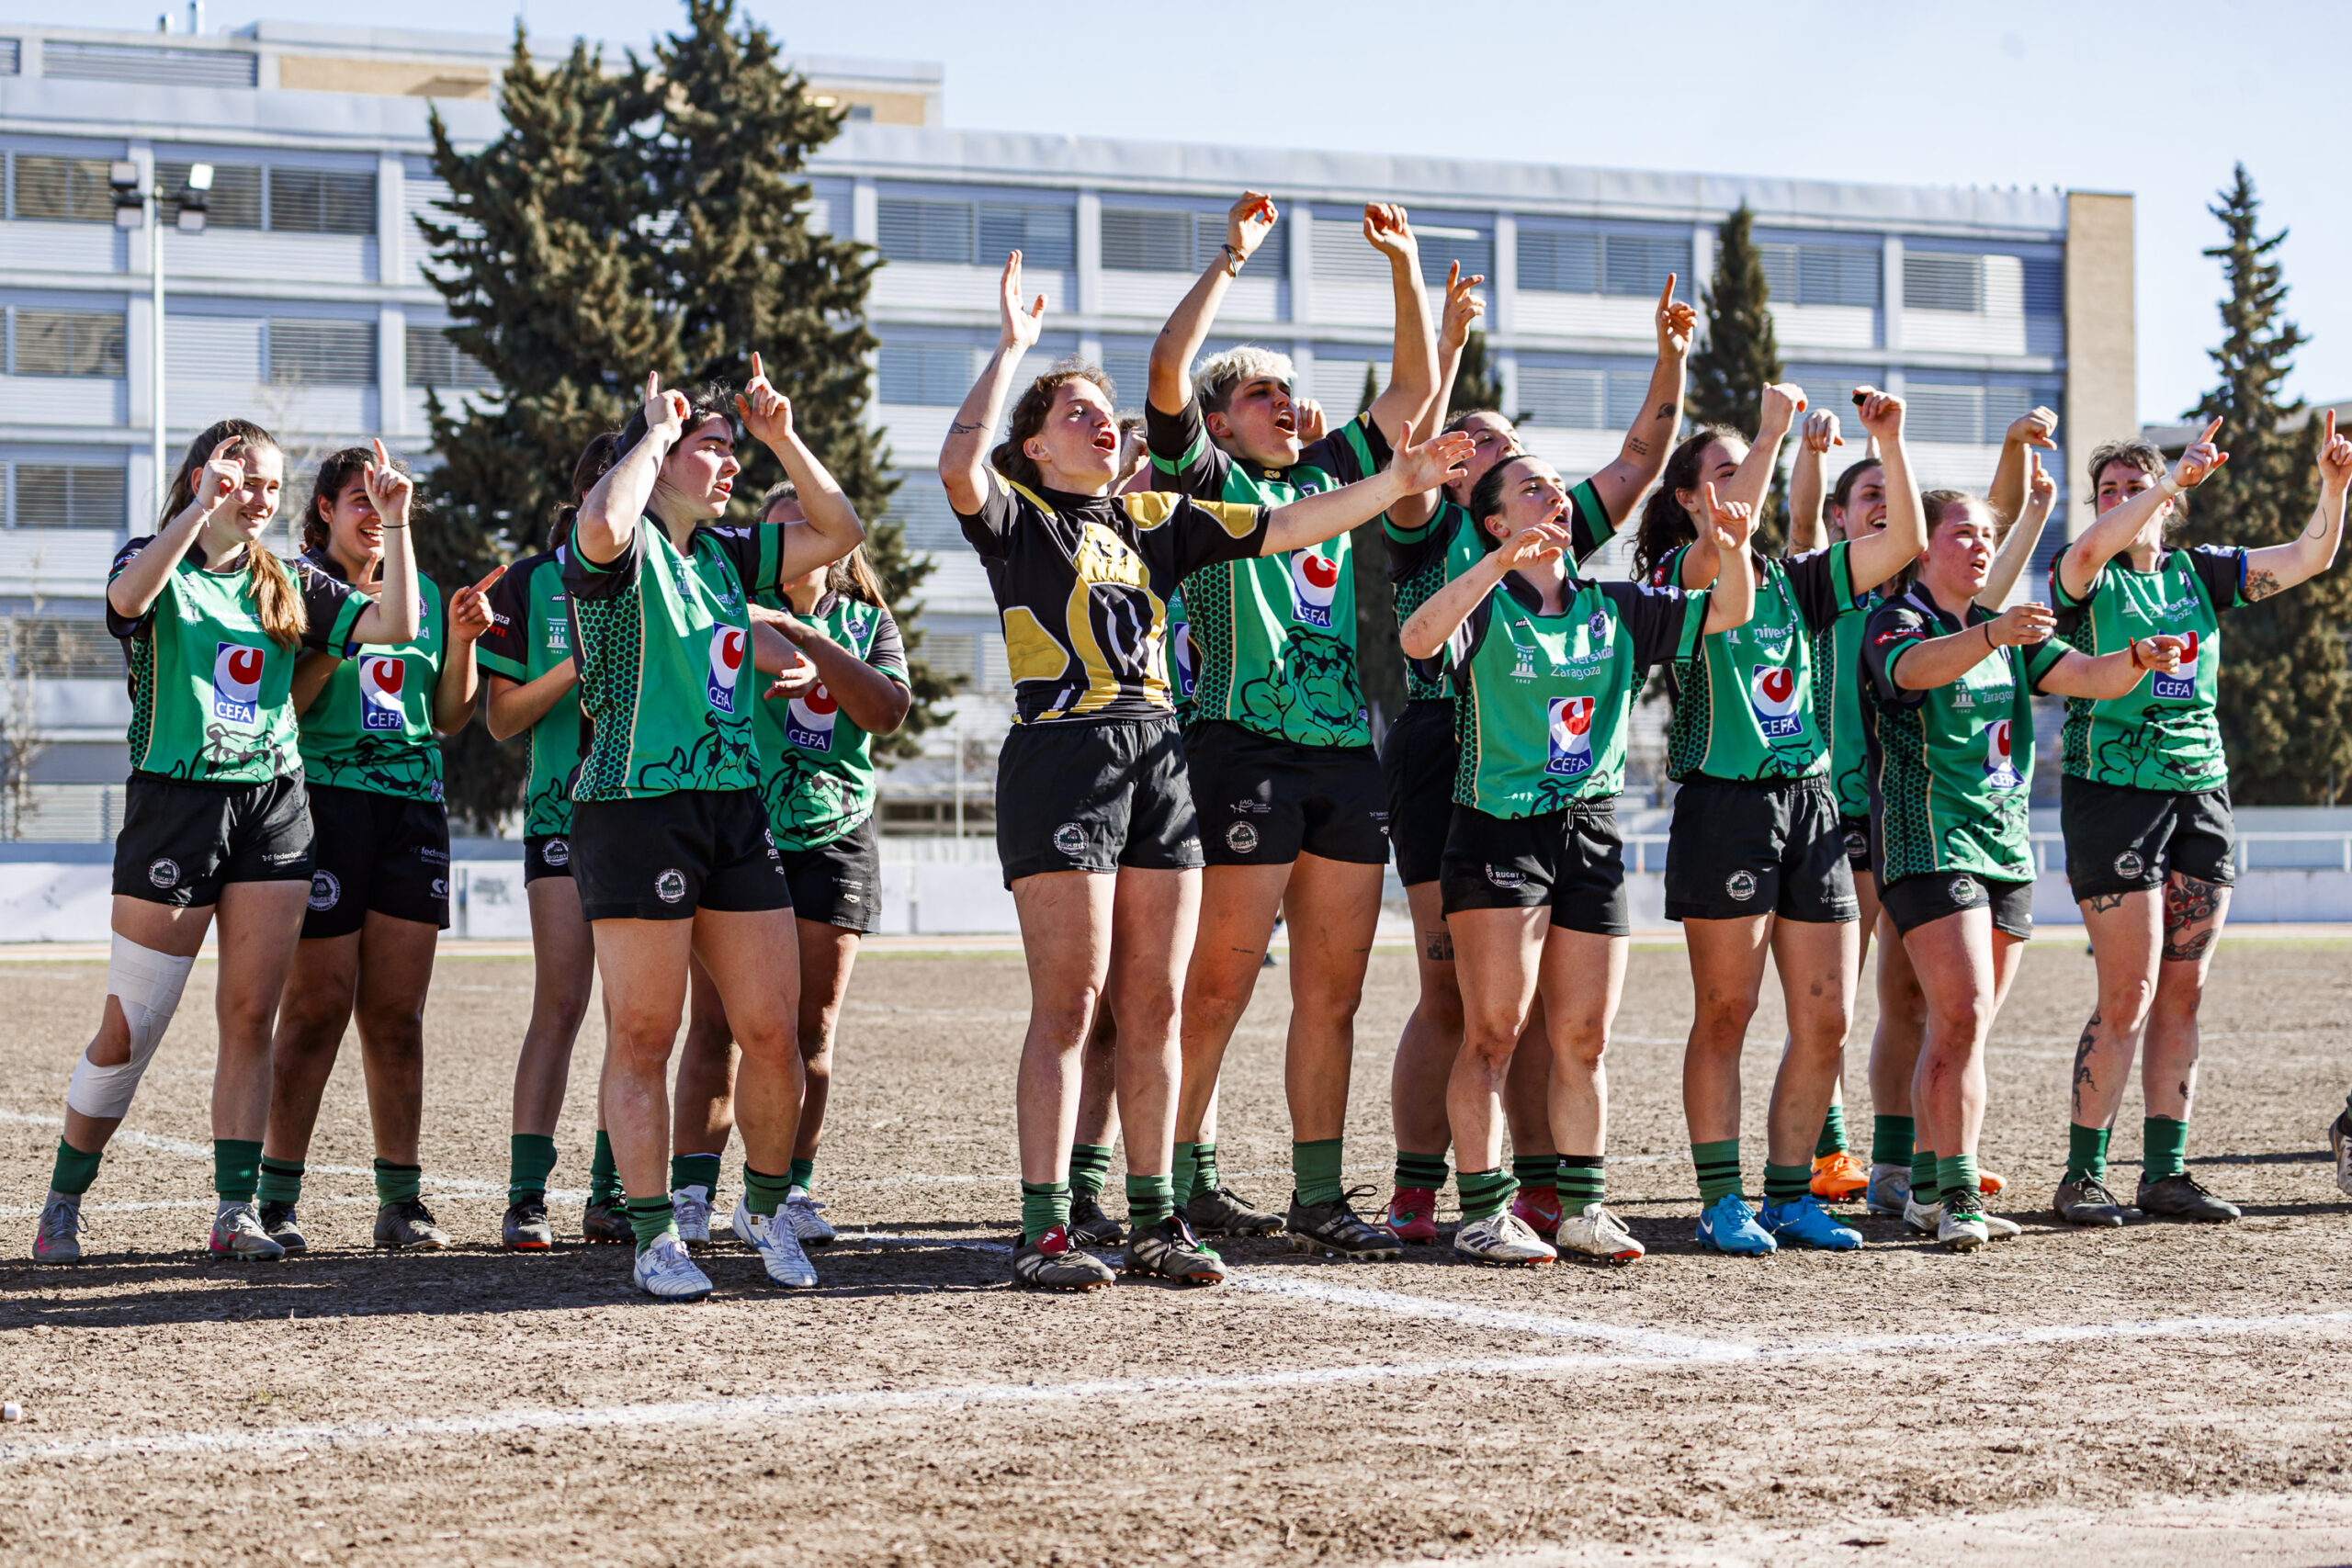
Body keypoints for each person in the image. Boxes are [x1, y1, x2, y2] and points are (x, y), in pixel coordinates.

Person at [938, 249, 1472, 1290]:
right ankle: (1045, 1225)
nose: (1105, 426)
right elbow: (961, 468)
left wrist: (1397, 482)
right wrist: (1011, 351)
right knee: (1070, 1004)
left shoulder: (1152, 520)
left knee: (1152, 1003)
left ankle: (1153, 1221)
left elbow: (1285, 527)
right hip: (1064, 754)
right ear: (1035, 446)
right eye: (1078, 415)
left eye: (1107, 415)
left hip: (1160, 758)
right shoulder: (1018, 519)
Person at [32, 421, 420, 1263]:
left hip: (275, 806)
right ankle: (64, 1196)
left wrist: (397, 523)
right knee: (131, 1027)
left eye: (272, 486)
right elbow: (126, 603)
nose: (259, 497)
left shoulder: (289, 581)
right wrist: (196, 509)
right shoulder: (154, 557)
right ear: (204, 476)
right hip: (176, 807)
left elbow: (396, 626)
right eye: (243, 480)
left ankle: (234, 1211)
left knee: (250, 1016)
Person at [1146, 192, 1440, 1258]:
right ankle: (1169, 1187)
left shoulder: (1327, 475)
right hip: (1237, 747)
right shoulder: (1203, 479)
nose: (1285, 403)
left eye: (1288, 390)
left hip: (1340, 756)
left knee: (1335, 990)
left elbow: (1409, 395)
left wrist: (1402, 269)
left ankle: (1319, 1197)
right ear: (1224, 421)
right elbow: (1168, 377)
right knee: (1216, 983)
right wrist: (1230, 257)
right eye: (1262, 392)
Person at [1380, 265, 1694, 1245]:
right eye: (1488, 455)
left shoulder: (1563, 554)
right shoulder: (1422, 518)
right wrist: (1451, 335)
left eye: (1519, 455)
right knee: (1464, 1000)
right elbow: (1422, 632)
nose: (1514, 462)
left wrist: (1670, 360)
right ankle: (1425, 1190)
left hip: (1559, 778)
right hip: (1450, 753)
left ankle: (1553, 1190)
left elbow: (1641, 461)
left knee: (1561, 1017)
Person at [1400, 457, 1754, 1264]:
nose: (1553, 494)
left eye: (1556, 485)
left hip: (1590, 833)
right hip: (1497, 830)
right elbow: (1416, 639)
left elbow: (1727, 612)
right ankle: (1486, 1210)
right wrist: (1497, 566)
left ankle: (1585, 1208)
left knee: (1585, 1036)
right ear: (1492, 521)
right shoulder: (1486, 602)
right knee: (1492, 1029)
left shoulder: (1616, 608)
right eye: (1529, 487)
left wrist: (1729, 546)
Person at [566, 356, 864, 1301]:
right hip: (633, 809)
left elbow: (839, 531)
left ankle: (767, 1209)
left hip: (734, 808)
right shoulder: (622, 543)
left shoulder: (728, 556)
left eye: (732, 450)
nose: (728, 463)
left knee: (772, 1031)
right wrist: (653, 433)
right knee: (645, 1034)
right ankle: (656, 1235)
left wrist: (778, 434)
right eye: (714, 447)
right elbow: (606, 522)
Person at [1634, 387, 1925, 1256]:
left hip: (1812, 804)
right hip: (1725, 805)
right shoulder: (1676, 578)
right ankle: (1723, 1199)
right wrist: (1768, 434)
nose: (1736, 489)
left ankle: (1792, 1194)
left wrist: (1890, 441)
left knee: (1826, 1018)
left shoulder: (1800, 579)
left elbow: (1904, 542)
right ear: (1687, 498)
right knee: (1727, 1010)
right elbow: (1729, 528)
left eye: (1741, 473)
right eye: (1718, 476)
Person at [1863, 491, 2186, 1248]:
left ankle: (1929, 1192)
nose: (1978, 546)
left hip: (2006, 847)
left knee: (1964, 1029)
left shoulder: (2007, 633)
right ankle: (1961, 1193)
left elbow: (2087, 676)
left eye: (1986, 535)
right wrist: (1991, 633)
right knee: (1963, 1010)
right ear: (1922, 548)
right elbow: (1914, 671)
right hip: (1929, 842)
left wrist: (2137, 659)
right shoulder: (1899, 621)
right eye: (1961, 534)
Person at [2052, 414, 2350, 1225]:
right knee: (2131, 989)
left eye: (2134, 487)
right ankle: (2083, 1175)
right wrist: (2165, 481)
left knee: (2185, 989)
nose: (2122, 501)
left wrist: (2332, 484)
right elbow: (2083, 553)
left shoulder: (2199, 574)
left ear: (2176, 507)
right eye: (2108, 491)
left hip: (2201, 792)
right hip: (2113, 796)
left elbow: (2309, 557)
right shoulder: (2088, 579)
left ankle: (2166, 1174)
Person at [1784, 407, 2057, 1211]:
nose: (1881, 504)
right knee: (1831, 996)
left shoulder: (1932, 596)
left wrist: (2015, 462)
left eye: (1889, 493)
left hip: (1907, 806)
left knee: (1915, 995)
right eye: (1866, 493)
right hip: (1832, 802)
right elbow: (1801, 518)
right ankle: (1825, 1151)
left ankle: (1908, 1164)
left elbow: (1987, 552)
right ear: (1843, 515)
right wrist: (1805, 449)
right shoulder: (1831, 582)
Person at [254, 448, 503, 1252]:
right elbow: (284, 704)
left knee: (396, 1018)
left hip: (412, 814)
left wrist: (460, 641)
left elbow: (450, 717)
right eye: (358, 499)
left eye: (386, 500)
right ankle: (275, 1200)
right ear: (323, 508)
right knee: (316, 1010)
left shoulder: (422, 592)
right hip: (324, 806)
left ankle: (401, 1200)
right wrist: (340, 630)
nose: (372, 513)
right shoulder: (295, 583)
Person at [667, 481, 911, 1251]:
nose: (792, 543)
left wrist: (811, 642)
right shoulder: (725, 612)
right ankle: (690, 1193)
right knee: (717, 1026)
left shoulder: (867, 622)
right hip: (741, 832)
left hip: (834, 835)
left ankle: (784, 1193)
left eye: (807, 527)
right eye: (777, 531)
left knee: (812, 1029)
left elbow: (886, 711)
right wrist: (768, 629)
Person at [478, 433, 634, 1249]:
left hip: (650, 814)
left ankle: (610, 1194)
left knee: (633, 1015)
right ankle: (526, 1197)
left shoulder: (668, 571)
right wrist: (580, 662)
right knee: (563, 1004)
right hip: (561, 815)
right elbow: (501, 718)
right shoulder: (531, 584)